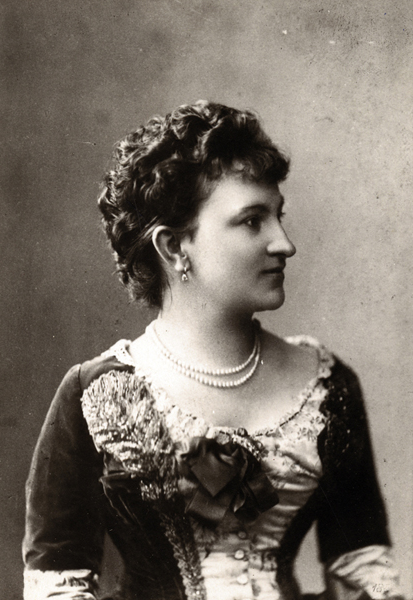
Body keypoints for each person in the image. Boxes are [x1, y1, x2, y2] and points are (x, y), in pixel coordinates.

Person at [23, 100, 403, 600]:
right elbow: (57, 582)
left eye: (278, 216)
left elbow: (365, 572)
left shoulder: (327, 387)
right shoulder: (97, 395)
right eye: (252, 221)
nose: (284, 243)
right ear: (174, 247)